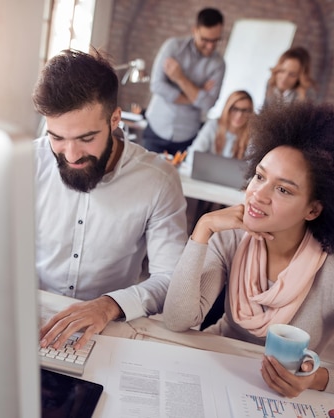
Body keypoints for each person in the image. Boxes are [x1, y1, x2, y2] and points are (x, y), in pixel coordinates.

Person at [163, 102, 334, 404]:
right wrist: (202, 229)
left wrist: (318, 379)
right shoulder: (230, 238)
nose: (258, 195)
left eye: (284, 190)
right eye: (260, 176)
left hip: (275, 400)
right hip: (211, 371)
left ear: (313, 209)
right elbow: (177, 319)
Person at [32, 49, 188, 351]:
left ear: (115, 119)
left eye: (86, 138)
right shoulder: (29, 162)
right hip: (34, 320)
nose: (71, 154)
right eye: (57, 138)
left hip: (108, 328)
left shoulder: (158, 180)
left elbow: (170, 279)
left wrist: (108, 305)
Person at [142, 7, 226, 155]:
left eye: (215, 41)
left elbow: (208, 104)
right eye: (205, 40)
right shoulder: (173, 47)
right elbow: (157, 85)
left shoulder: (218, 64)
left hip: (187, 135)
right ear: (195, 30)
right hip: (156, 127)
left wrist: (180, 78)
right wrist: (196, 95)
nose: (210, 46)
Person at [184, 90, 254, 165]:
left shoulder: (252, 134)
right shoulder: (213, 125)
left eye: (245, 111)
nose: (239, 115)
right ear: (227, 108)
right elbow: (193, 155)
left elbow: (251, 165)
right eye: (235, 109)